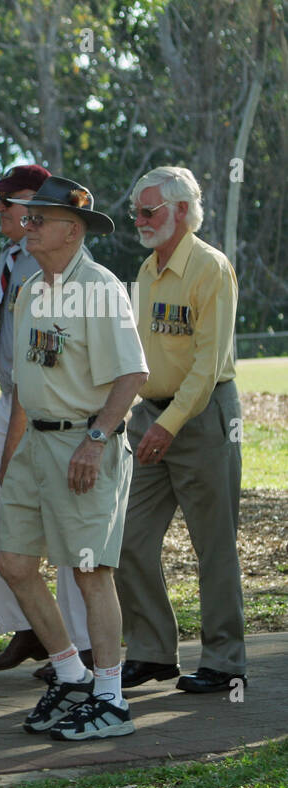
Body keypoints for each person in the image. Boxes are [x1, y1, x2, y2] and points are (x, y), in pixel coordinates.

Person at [0, 176, 149, 740]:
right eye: (27, 217)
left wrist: (96, 439)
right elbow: (24, 381)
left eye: (38, 219)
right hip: (35, 444)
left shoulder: (101, 288)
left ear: (71, 230)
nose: (27, 226)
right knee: (14, 562)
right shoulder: (30, 288)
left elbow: (131, 373)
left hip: (84, 443)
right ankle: (70, 674)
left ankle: (110, 700)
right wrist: (13, 449)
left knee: (90, 569)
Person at [116, 166, 245, 694]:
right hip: (151, 417)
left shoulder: (211, 269)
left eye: (151, 211)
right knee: (126, 538)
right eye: (137, 212)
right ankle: (151, 652)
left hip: (204, 417)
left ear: (184, 212)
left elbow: (207, 366)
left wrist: (168, 424)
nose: (140, 221)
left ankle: (225, 660)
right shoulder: (146, 271)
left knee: (213, 545)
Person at [0, 164, 93, 677]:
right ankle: (31, 629)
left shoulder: (57, 259)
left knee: (69, 528)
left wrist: (14, 440)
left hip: (51, 404)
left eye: (7, 201)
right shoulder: (12, 255)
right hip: (11, 398)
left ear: (37, 206)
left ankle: (82, 645)